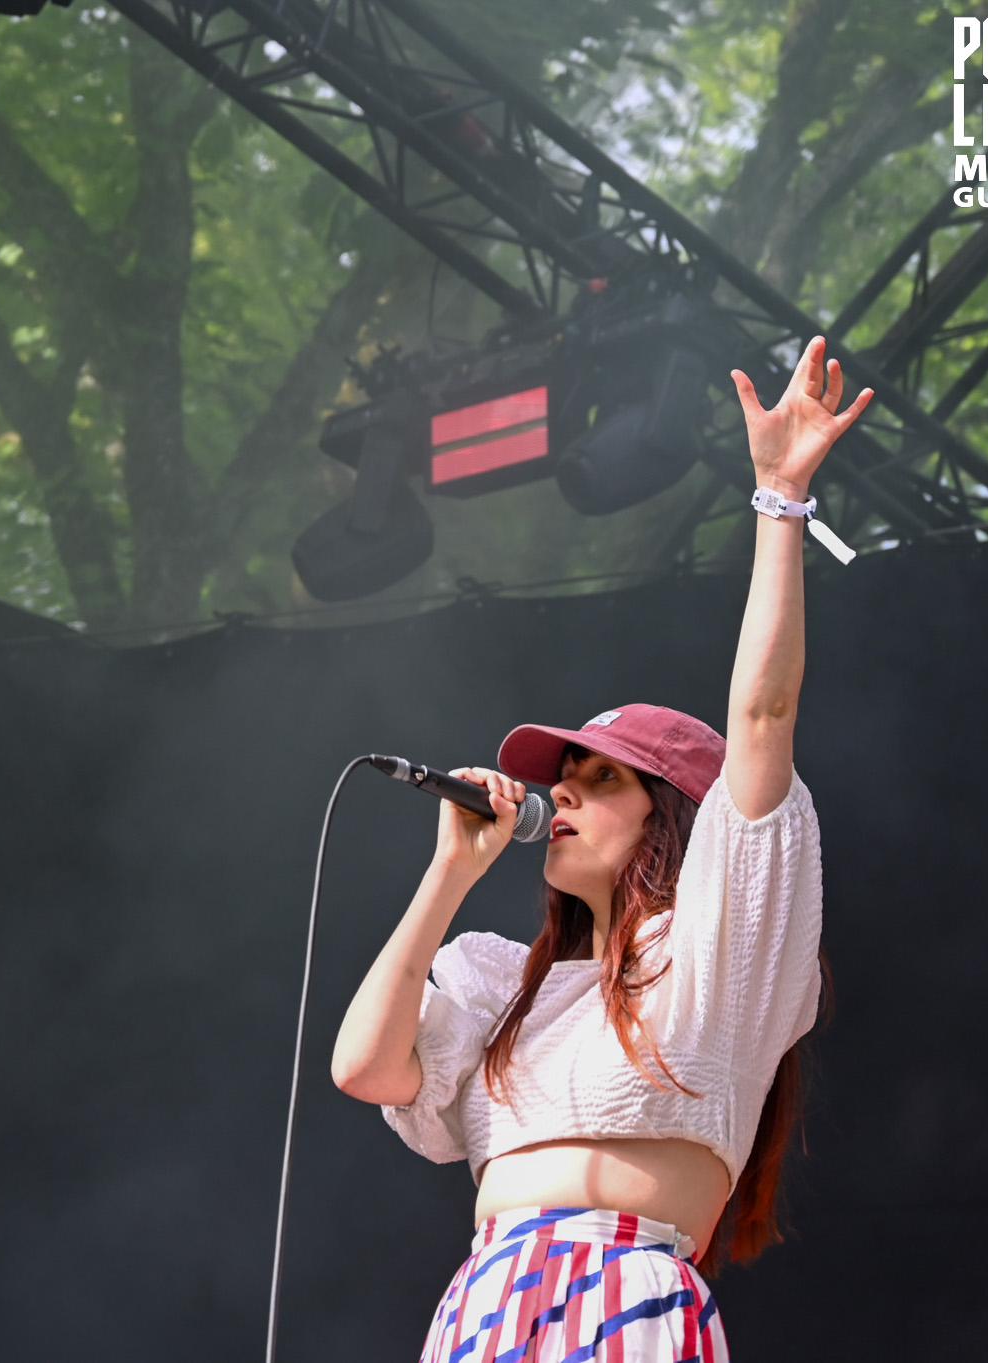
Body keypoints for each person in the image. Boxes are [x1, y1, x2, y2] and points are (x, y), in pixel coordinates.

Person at [330, 336, 871, 1360]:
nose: (561, 793)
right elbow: (361, 1068)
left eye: (599, 777)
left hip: (625, 1292)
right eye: (559, 775)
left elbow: (761, 715)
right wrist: (450, 870)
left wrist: (777, 501)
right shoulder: (500, 985)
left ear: (671, 814)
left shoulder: (715, 953)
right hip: (487, 1302)